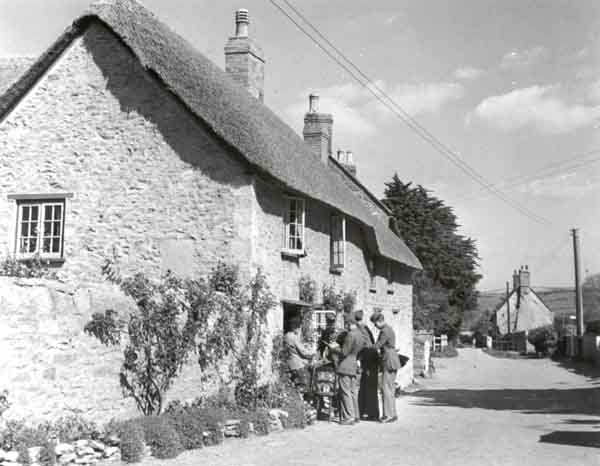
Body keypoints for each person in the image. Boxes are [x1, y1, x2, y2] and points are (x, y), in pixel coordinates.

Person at [329, 313, 364, 425]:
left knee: (345, 391)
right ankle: (356, 415)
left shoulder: (350, 335)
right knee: (353, 391)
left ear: (349, 323)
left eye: (346, 324)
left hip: (345, 364)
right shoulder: (360, 334)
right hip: (354, 363)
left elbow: (344, 352)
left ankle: (349, 416)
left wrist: (334, 348)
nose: (346, 326)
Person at [372, 312, 400, 423]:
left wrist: (367, 347)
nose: (375, 326)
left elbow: (378, 345)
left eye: (375, 324)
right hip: (393, 358)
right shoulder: (389, 329)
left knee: (385, 388)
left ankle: (387, 415)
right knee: (391, 388)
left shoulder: (384, 331)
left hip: (388, 359)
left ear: (379, 321)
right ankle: (393, 413)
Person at [355, 309, 380, 420]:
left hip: (369, 361)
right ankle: (365, 411)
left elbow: (365, 346)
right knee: (367, 387)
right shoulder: (365, 328)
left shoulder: (361, 330)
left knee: (369, 387)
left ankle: (372, 413)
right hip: (368, 360)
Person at [284, 317, 314, 393]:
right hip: (298, 364)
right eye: (298, 326)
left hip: (291, 363)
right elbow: (303, 352)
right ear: (295, 326)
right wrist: (313, 354)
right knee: (304, 386)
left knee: (296, 385)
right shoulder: (293, 337)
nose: (299, 328)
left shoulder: (286, 336)